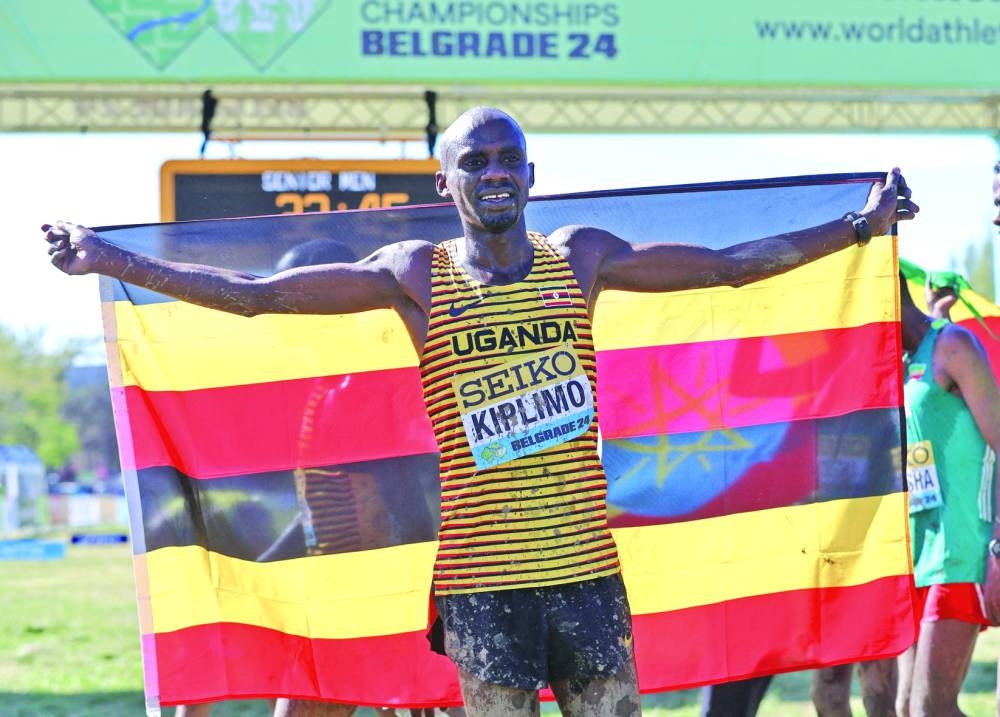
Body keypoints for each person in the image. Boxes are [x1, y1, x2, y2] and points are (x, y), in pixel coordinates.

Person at [42, 106, 917, 717]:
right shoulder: (414, 274)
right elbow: (256, 296)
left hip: (585, 573)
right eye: (476, 162)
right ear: (447, 179)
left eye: (508, 160)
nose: (494, 174)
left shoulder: (580, 256)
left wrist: (857, 226)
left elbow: (727, 266)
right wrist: (111, 258)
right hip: (481, 583)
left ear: (532, 175)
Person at [893, 272, 1000, 717]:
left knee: (929, 711)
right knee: (905, 708)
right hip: (917, 556)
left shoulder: (952, 345)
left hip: (964, 549)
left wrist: (999, 547)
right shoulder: (901, 362)